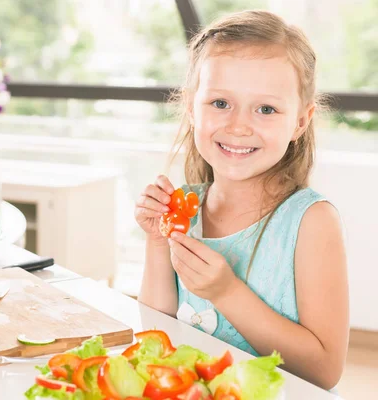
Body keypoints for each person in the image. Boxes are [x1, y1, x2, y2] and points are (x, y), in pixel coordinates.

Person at [134, 10, 349, 390]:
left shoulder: (311, 222)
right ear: (191, 106)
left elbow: (324, 370)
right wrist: (157, 243)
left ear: (300, 121)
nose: (238, 126)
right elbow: (156, 337)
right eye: (220, 103)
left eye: (266, 109)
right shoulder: (186, 205)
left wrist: (226, 292)